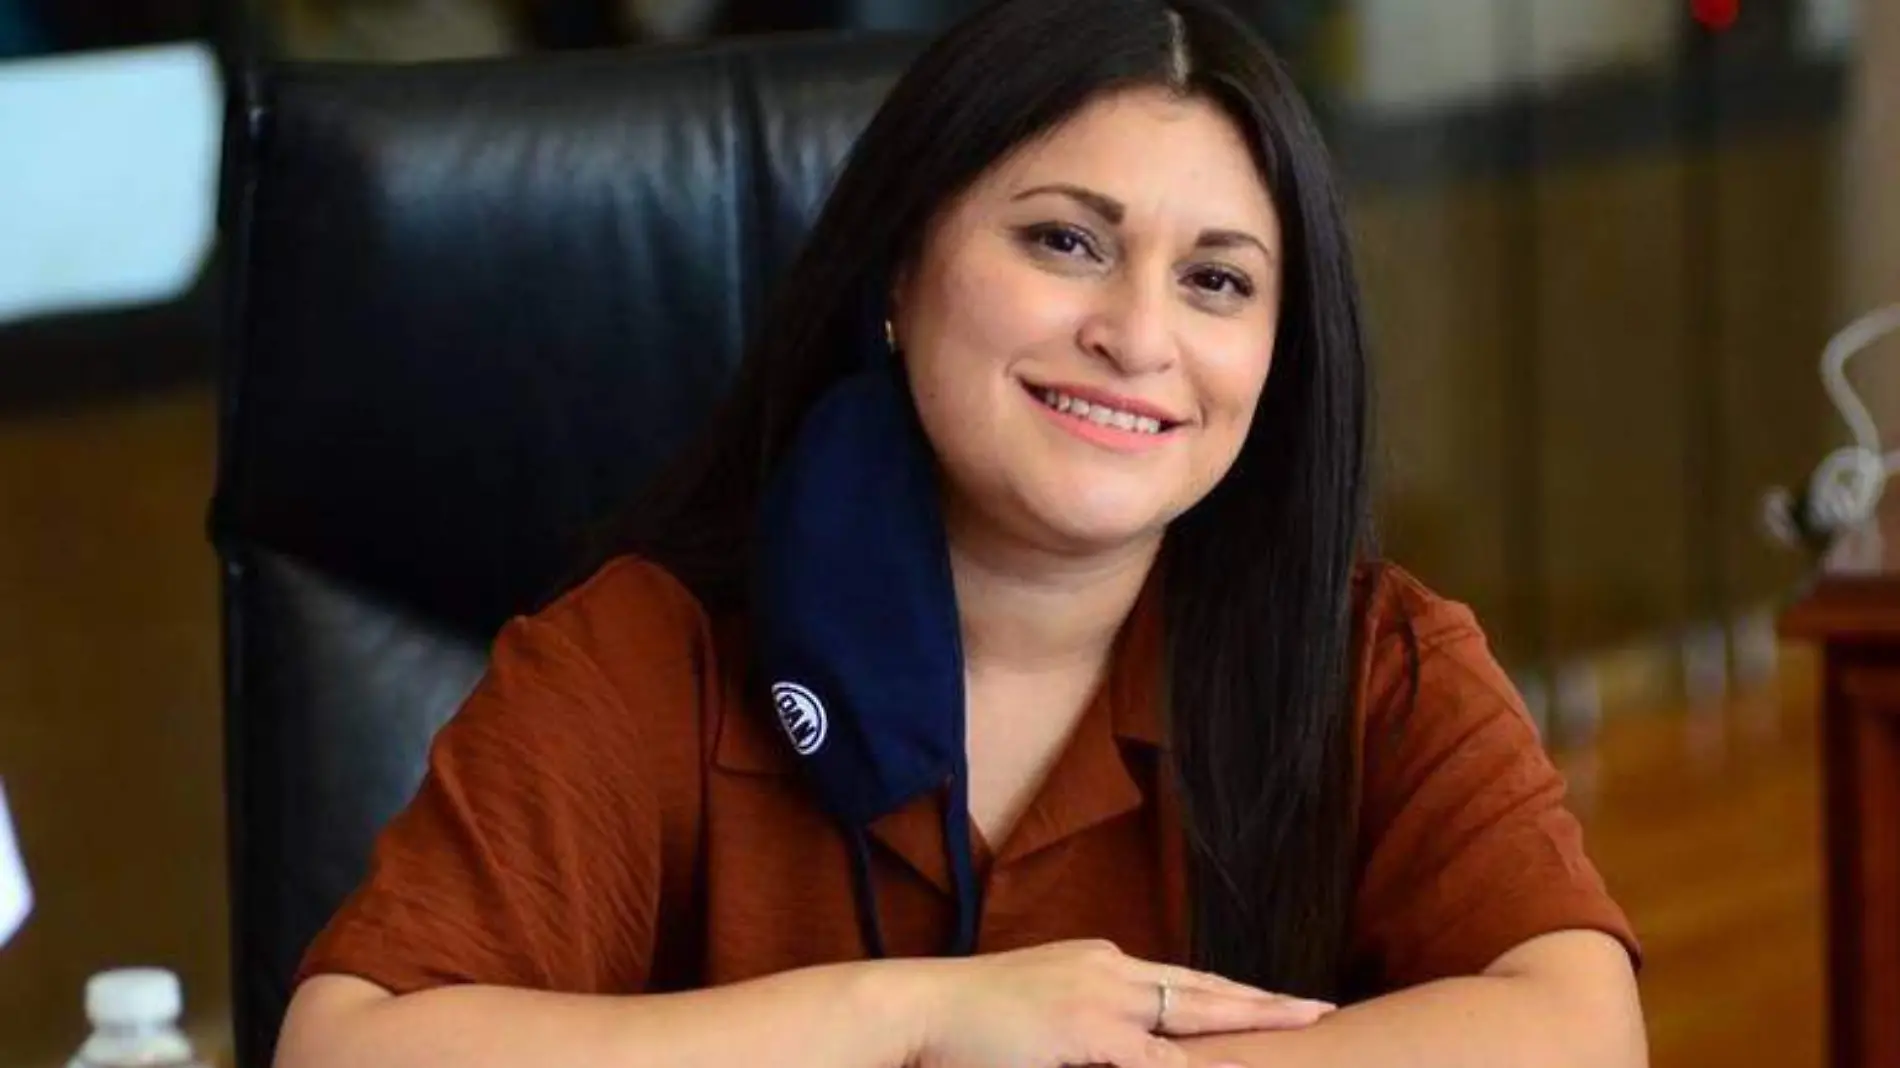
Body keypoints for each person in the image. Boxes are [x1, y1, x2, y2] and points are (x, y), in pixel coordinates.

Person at [275, 1, 1647, 1065]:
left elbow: (1580, 1027)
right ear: (900, 271)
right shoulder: (656, 651)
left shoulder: (1370, 661)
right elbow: (348, 1049)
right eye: (1064, 242)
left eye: (1217, 280)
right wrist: (918, 1017)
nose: (1138, 337)